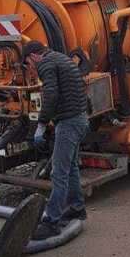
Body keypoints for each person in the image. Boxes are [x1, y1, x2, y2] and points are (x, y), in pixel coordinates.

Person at [22, 40, 89, 239]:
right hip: (80, 119)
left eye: (28, 63)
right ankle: (77, 207)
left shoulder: (46, 64)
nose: (31, 68)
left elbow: (50, 95)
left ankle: (52, 222)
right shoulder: (60, 58)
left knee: (59, 173)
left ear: (33, 56)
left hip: (69, 123)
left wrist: (41, 125)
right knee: (71, 169)